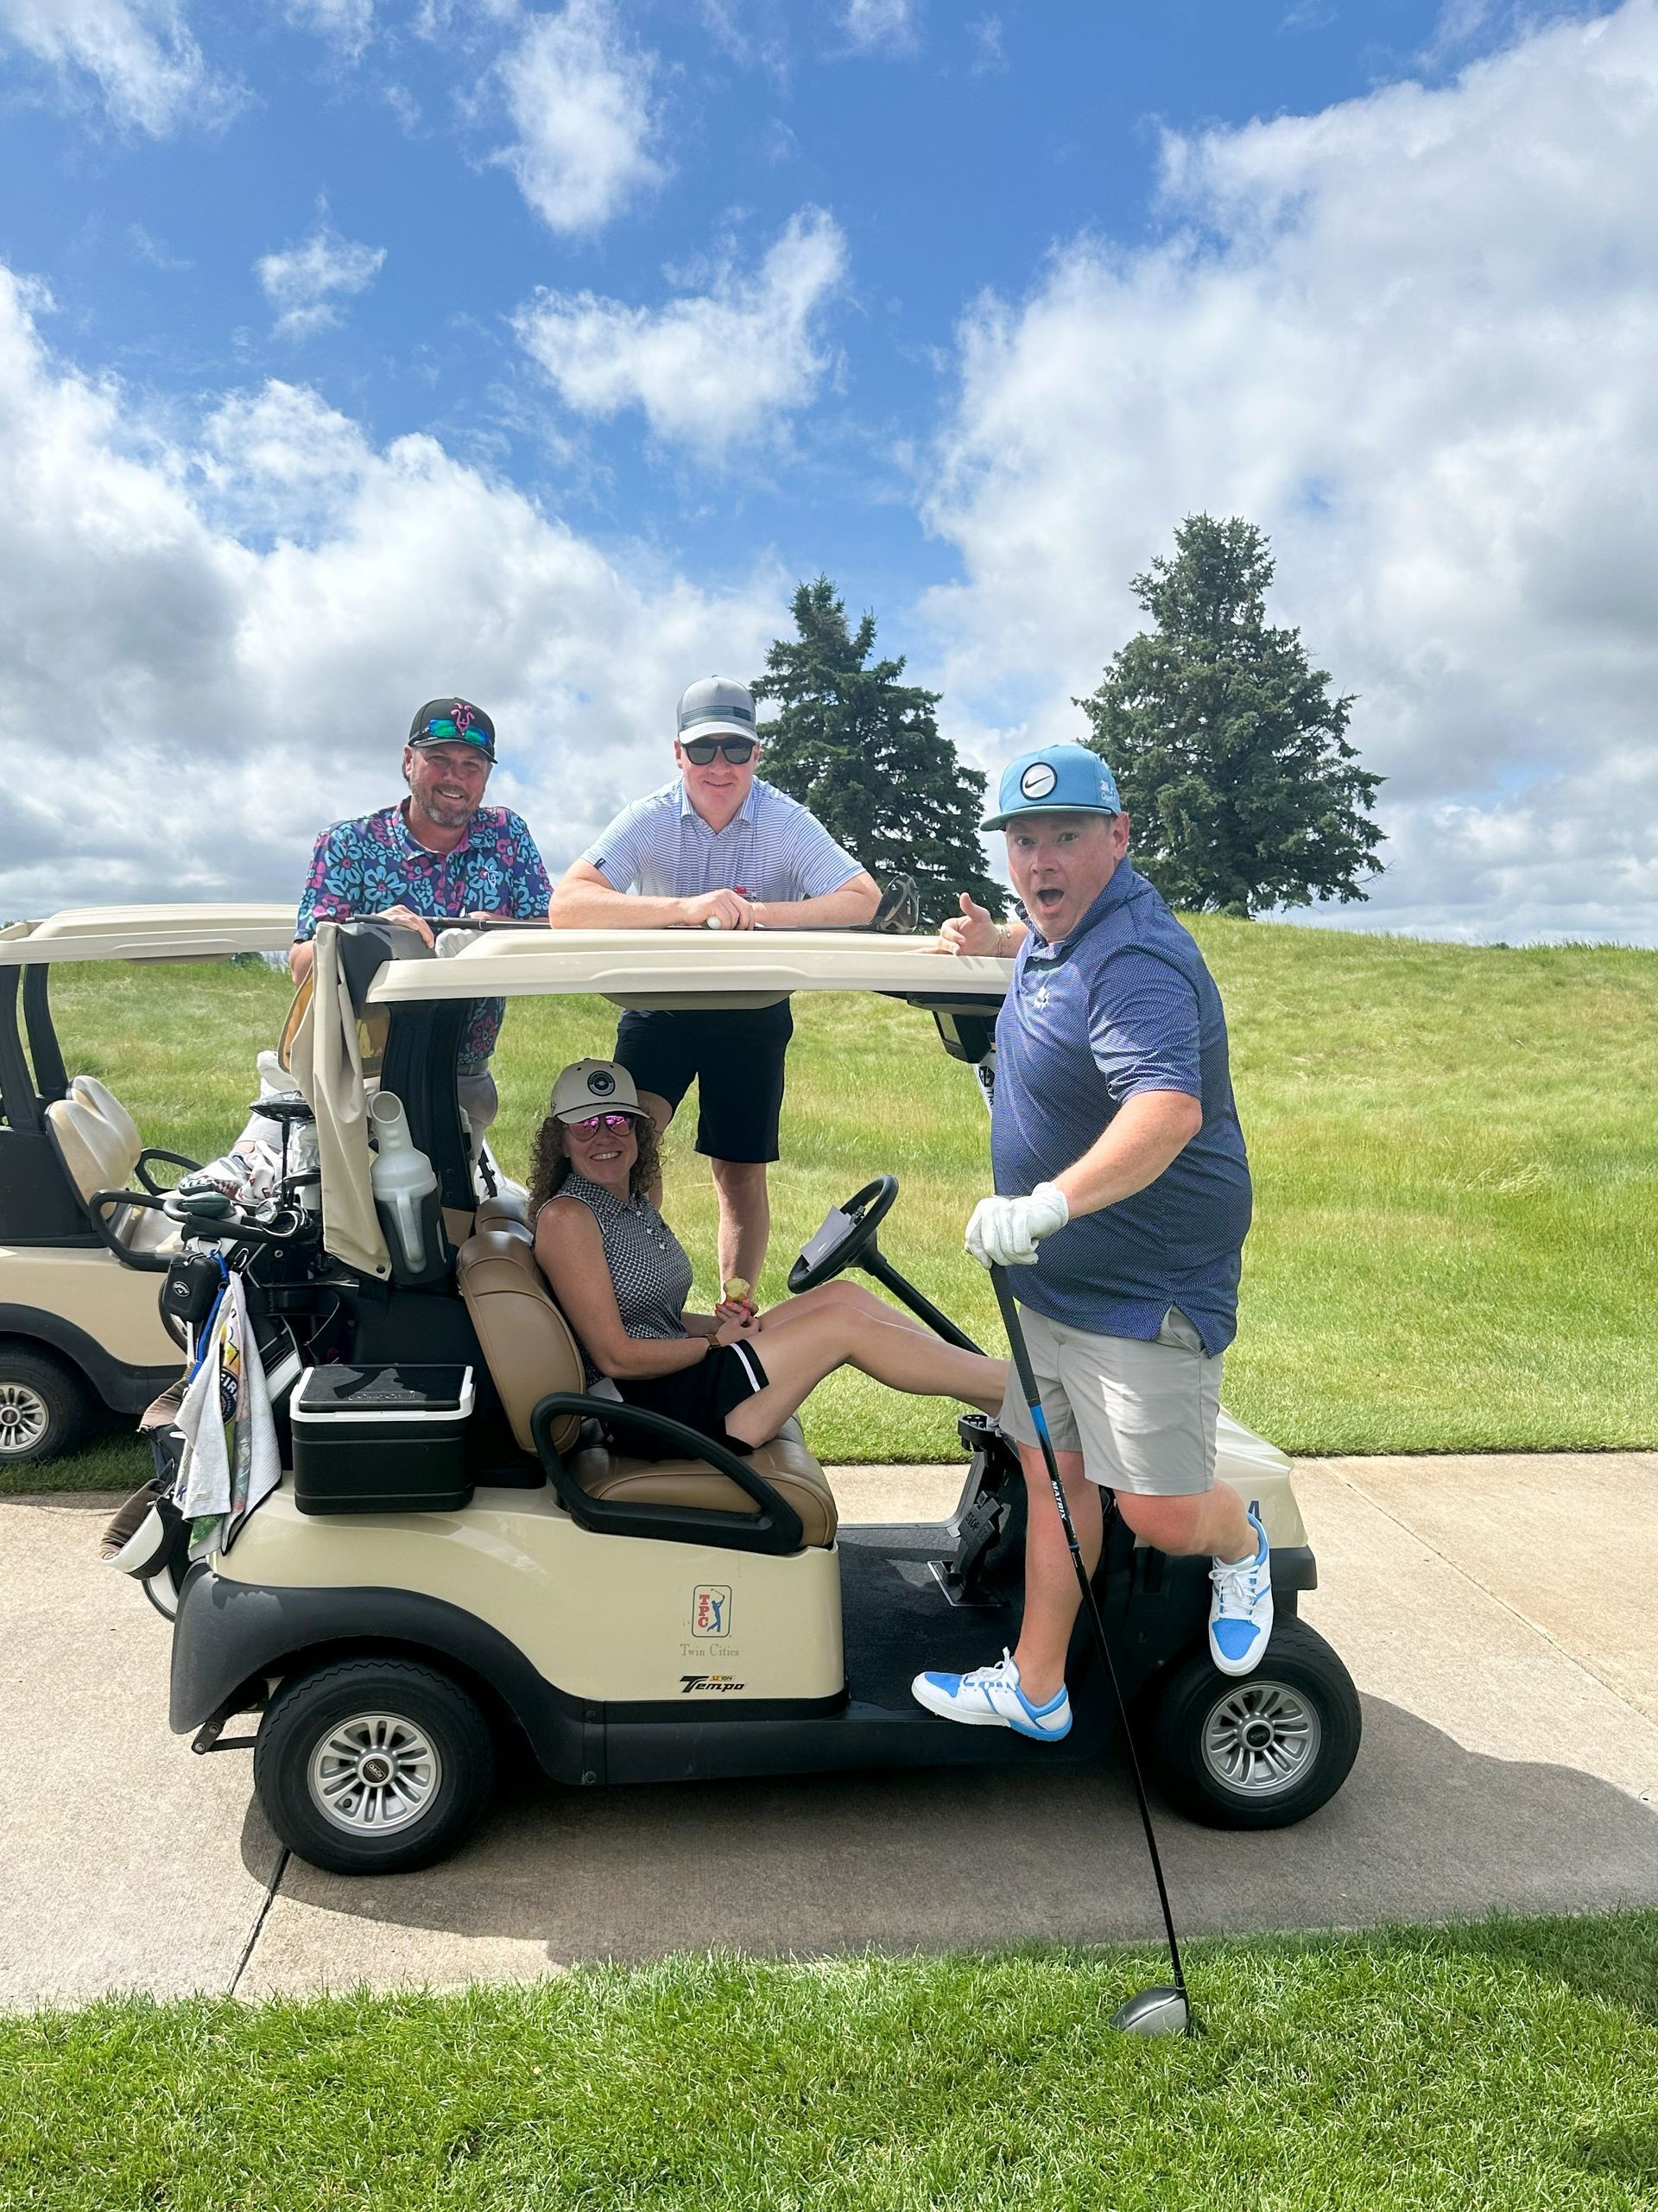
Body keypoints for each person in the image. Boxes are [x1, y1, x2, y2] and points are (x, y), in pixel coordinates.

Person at [913, 740, 1269, 1744]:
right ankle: (1036, 1685)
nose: (1040, 861)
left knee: (1157, 1513)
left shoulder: (1133, 955)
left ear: (1117, 836)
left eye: (1065, 835)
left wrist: (1048, 1203)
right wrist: (993, 945)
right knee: (1052, 1478)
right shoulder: (1051, 930)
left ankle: (1243, 1542)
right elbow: (1045, 980)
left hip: (1141, 1287)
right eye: (1024, 841)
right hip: (1056, 1283)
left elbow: (1166, 1108)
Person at [546, 676, 880, 1292]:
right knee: (632, 1142)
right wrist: (685, 908)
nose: (718, 765)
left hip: (753, 1009)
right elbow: (567, 902)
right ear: (678, 754)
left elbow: (863, 897)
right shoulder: (648, 817)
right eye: (703, 750)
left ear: (757, 753)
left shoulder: (786, 819)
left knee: (739, 1169)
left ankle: (737, 1306)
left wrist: (759, 916)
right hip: (660, 1006)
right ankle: (637, 1289)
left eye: (734, 748)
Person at [531, 1059, 1006, 1455]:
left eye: (616, 1121)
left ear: (637, 1132)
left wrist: (715, 1326)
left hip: (676, 1382)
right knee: (841, 1326)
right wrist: (718, 1345)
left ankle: (1002, 1406)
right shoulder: (569, 1217)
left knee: (843, 1295)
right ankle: (1029, 1392)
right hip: (648, 1410)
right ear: (561, 1140)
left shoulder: (629, 1203)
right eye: (585, 1125)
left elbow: (654, 1319)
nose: (604, 1137)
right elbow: (617, 1356)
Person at [291, 699, 551, 1131]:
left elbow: (551, 929)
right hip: (359, 1072)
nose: (455, 777)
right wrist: (368, 932)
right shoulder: (348, 844)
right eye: (439, 760)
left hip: (465, 1074)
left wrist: (492, 932)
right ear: (408, 761)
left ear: (487, 777)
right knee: (345, 1197)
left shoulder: (507, 834)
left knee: (455, 1198)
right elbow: (302, 967)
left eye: (472, 765)